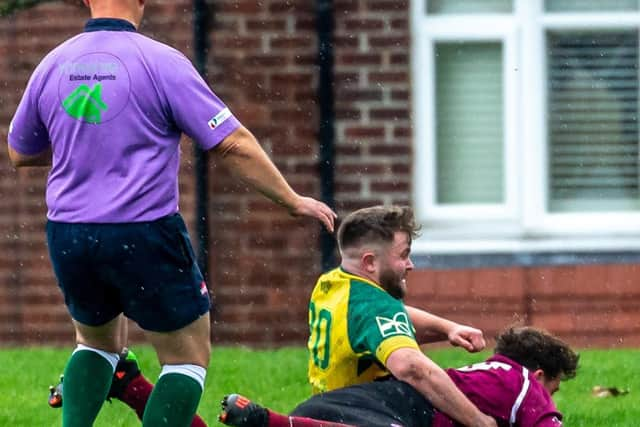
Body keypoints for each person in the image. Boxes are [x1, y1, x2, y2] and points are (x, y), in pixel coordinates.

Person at [7, 0, 336, 426]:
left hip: (69, 233)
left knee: (95, 343)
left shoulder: (53, 63)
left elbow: (20, 151)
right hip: (142, 231)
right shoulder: (161, 62)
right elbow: (231, 143)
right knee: (187, 357)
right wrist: (291, 199)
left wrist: (87, 149)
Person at [220, 206, 495, 427]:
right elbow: (412, 368)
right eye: (404, 255)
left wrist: (447, 329)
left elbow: (386, 322)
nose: (410, 265)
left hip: (322, 410)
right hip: (362, 414)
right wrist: (478, 421)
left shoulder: (331, 285)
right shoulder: (376, 305)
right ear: (369, 262)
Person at [218, 326, 579, 427]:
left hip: (348, 402)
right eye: (555, 388)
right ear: (540, 373)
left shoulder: (486, 376)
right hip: (402, 410)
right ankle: (270, 420)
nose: (552, 398)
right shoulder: (526, 383)